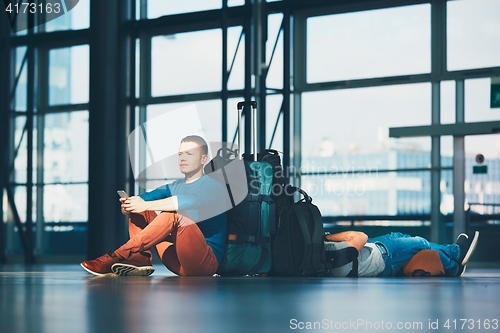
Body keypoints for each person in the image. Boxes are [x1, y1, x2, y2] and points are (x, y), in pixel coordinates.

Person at [81, 135, 227, 276]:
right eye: (180, 154)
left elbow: (189, 201)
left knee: (176, 214)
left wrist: (145, 205)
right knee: (141, 211)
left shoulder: (214, 186)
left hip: (204, 263)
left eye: (189, 154)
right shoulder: (174, 186)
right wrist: (129, 206)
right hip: (177, 261)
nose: (182, 158)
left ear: (203, 159)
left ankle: (120, 254)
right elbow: (141, 200)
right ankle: (140, 258)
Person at [324, 230, 480, 277]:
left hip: (372, 249)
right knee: (421, 243)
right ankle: (455, 254)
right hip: (384, 256)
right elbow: (360, 236)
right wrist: (327, 237)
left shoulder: (321, 260)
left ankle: (454, 264)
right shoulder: (330, 252)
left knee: (399, 236)